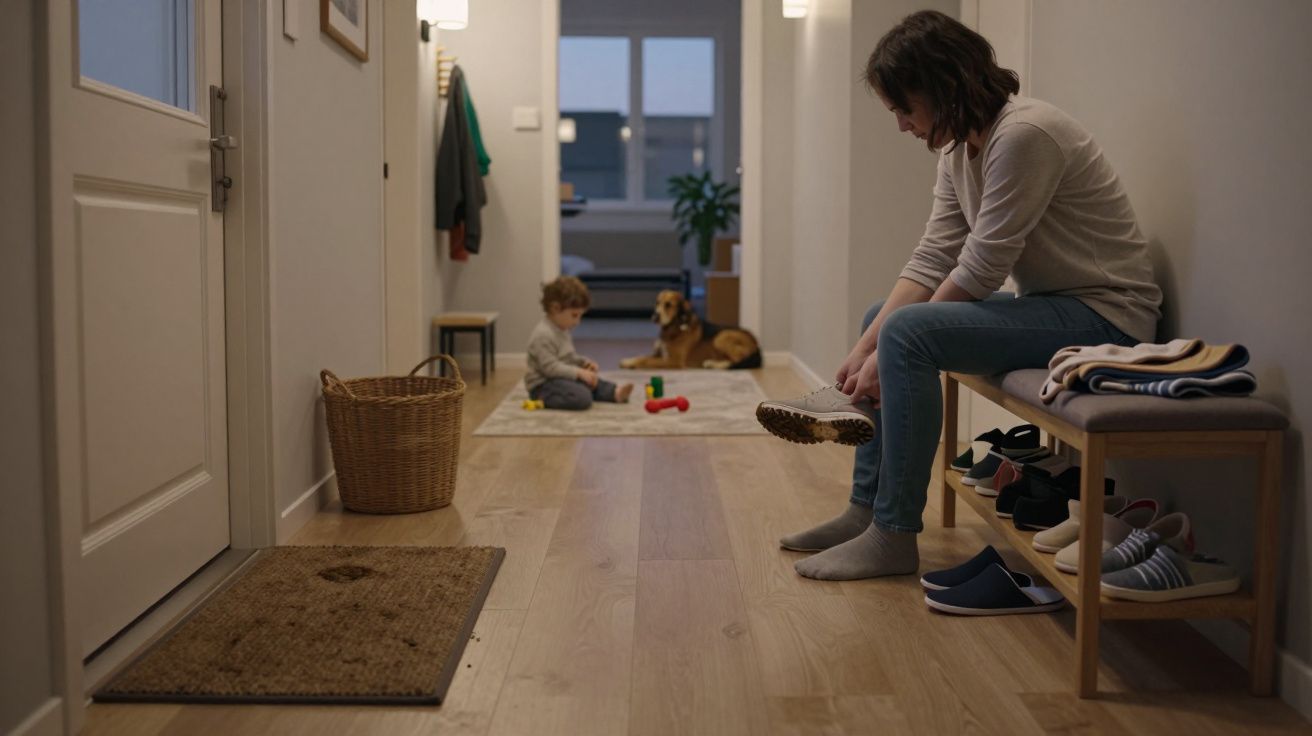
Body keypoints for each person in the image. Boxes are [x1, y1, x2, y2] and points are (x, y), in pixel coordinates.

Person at [755, 10, 1162, 581]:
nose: (901, 125)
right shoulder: (956, 151)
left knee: (907, 333)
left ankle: (894, 535)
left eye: (904, 108)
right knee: (885, 317)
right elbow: (931, 258)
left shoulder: (1024, 135)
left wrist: (884, 350)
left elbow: (982, 268)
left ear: (943, 88)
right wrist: (861, 350)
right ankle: (865, 510)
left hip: (1106, 319)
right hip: (1053, 308)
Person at [525, 276, 634, 410]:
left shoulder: (562, 329)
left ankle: (614, 393)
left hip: (562, 378)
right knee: (581, 397)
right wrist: (578, 373)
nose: (577, 322)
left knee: (591, 380)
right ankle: (543, 399)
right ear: (555, 308)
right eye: (574, 315)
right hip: (544, 384)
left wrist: (583, 363)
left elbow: (568, 357)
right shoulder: (543, 335)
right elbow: (550, 369)